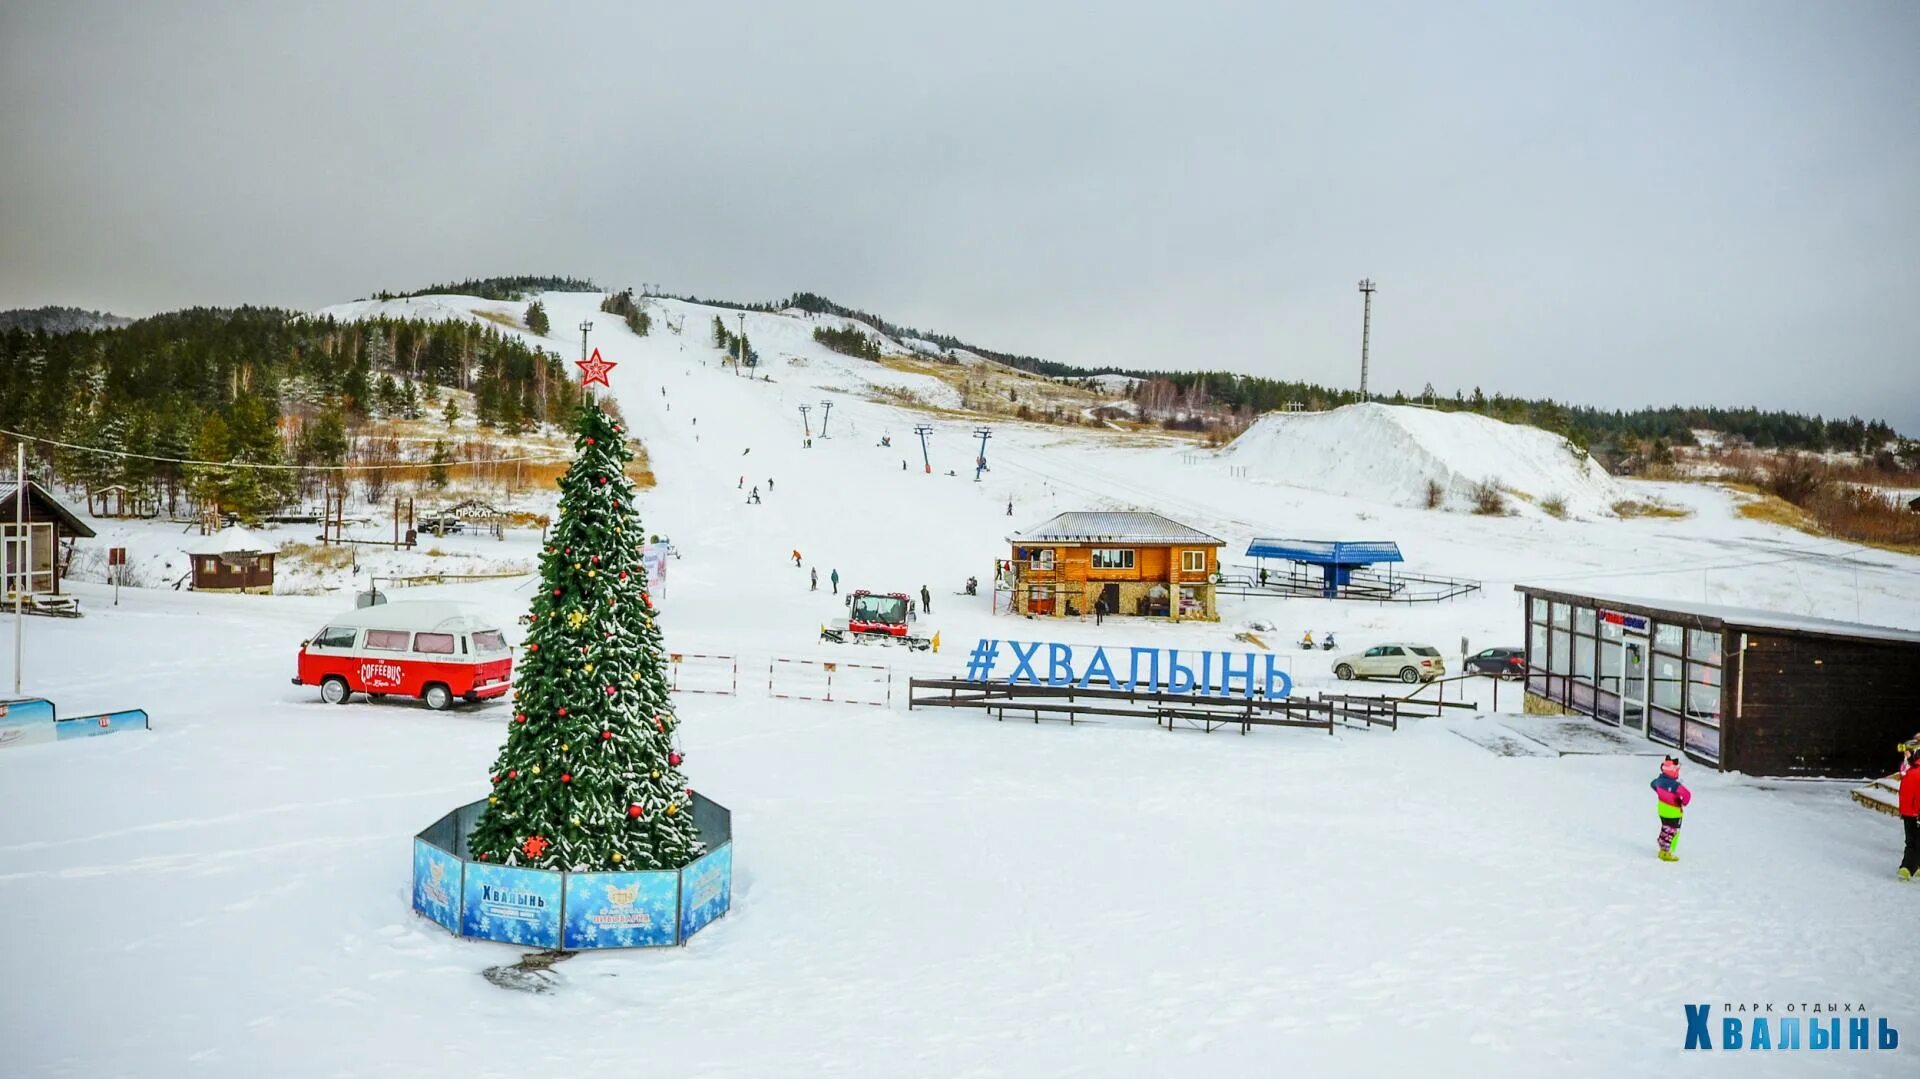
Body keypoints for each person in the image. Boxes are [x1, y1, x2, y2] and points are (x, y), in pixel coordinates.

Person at [1651, 756, 1692, 862]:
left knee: (1666, 827)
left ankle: (1662, 845)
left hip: (1662, 809)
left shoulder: (1658, 781)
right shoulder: (1675, 785)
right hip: (1673, 812)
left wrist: (1661, 793)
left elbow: (1652, 784)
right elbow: (1687, 795)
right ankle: (1665, 852)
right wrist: (1682, 802)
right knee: (1672, 831)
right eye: (1677, 770)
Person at [1900, 737, 1920, 880]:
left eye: (1907, 752)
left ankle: (1907, 868)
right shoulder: (1910, 768)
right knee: (1911, 840)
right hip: (1908, 811)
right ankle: (1916, 866)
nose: (1905, 755)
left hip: (1917, 812)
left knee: (1914, 842)